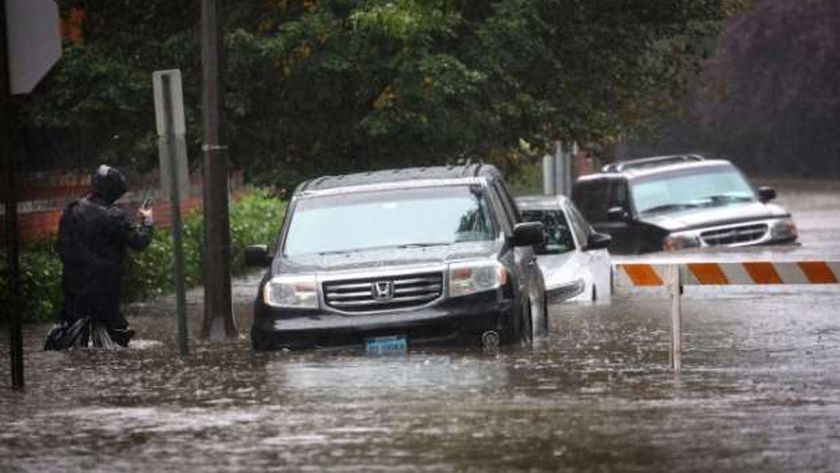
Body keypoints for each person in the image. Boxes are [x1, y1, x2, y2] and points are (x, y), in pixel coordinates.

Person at [45, 164, 154, 349]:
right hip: (105, 292)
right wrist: (147, 221)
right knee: (119, 340)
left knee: (69, 337)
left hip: (74, 290)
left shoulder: (72, 210)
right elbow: (140, 241)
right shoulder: (115, 217)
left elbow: (62, 246)